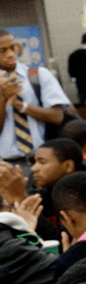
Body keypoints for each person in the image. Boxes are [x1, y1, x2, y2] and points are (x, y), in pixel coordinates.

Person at [0, 28, 70, 174]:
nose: (11, 54)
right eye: (3, 50)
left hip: (42, 163)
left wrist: (20, 105)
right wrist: (2, 98)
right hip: (5, 166)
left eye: (13, 47)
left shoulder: (38, 75)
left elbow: (57, 116)